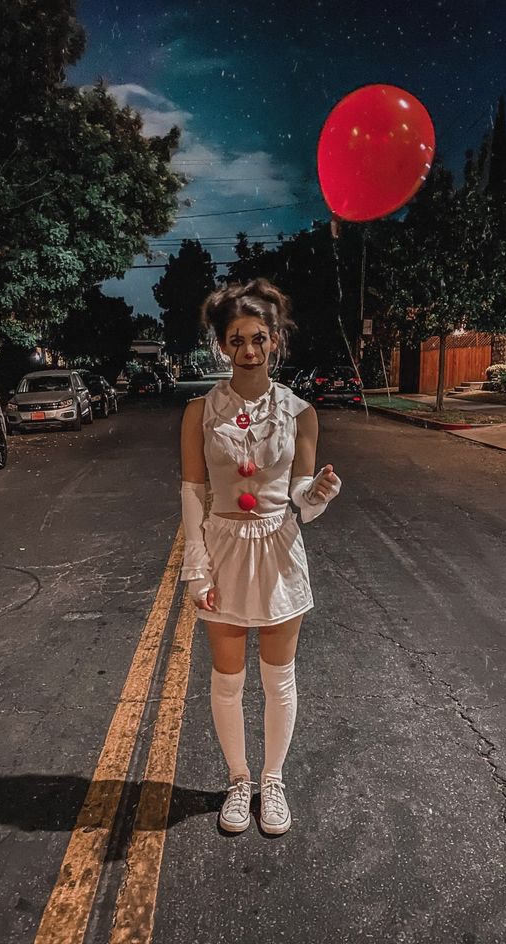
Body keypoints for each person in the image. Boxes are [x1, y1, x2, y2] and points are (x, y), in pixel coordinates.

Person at [179, 278, 342, 835]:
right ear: (221, 345)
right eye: (236, 339)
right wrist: (196, 567)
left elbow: (300, 499)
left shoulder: (301, 414)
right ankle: (237, 780)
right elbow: (193, 493)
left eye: (259, 338)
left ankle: (272, 780)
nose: (248, 350)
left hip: (278, 552)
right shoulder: (198, 411)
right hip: (223, 549)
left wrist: (316, 494)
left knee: (279, 679)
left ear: (276, 341)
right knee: (227, 680)